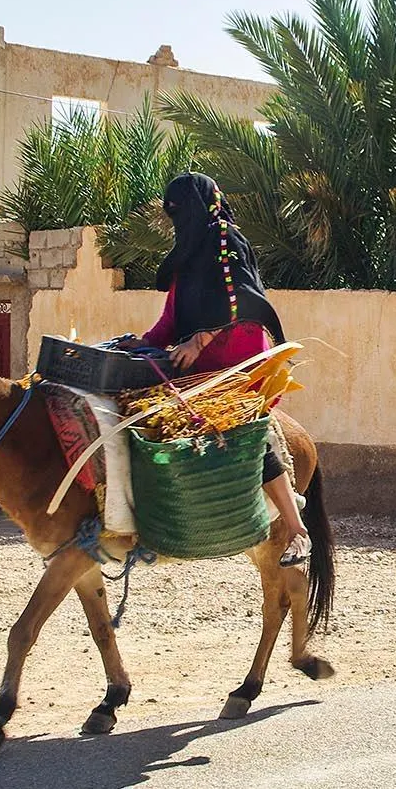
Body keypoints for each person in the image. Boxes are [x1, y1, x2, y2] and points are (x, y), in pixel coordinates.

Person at [117, 172, 311, 567]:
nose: (176, 220)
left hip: (237, 361)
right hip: (194, 364)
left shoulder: (226, 241)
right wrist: (142, 343)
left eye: (180, 210)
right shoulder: (188, 253)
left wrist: (200, 339)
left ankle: (296, 529)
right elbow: (172, 319)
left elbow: (245, 302)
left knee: (244, 427)